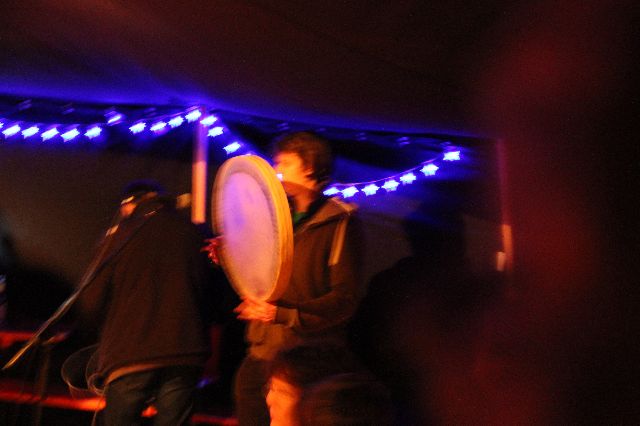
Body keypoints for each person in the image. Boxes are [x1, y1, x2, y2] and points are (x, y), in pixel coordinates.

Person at [205, 131, 365, 425]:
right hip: (264, 348)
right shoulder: (274, 218)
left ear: (310, 166)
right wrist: (229, 254)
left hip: (306, 355)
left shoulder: (339, 221)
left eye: (285, 163)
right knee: (248, 397)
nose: (277, 170)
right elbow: (259, 272)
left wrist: (283, 314)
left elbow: (344, 299)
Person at [77, 180, 212, 425]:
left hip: (130, 354)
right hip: (185, 351)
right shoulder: (194, 233)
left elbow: (90, 300)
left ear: (128, 205)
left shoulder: (119, 237)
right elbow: (211, 296)